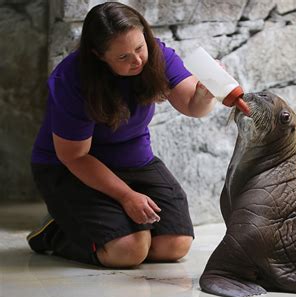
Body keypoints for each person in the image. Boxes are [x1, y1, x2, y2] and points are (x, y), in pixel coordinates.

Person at [27, 2, 217, 268]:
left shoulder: (157, 54)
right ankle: (55, 232)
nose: (137, 60)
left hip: (132, 159)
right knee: (127, 251)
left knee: (174, 245)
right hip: (70, 167)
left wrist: (205, 93)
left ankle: (112, 230)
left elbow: (192, 106)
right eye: (123, 57)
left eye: (140, 48)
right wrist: (126, 196)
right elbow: (74, 156)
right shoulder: (72, 79)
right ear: (98, 55)